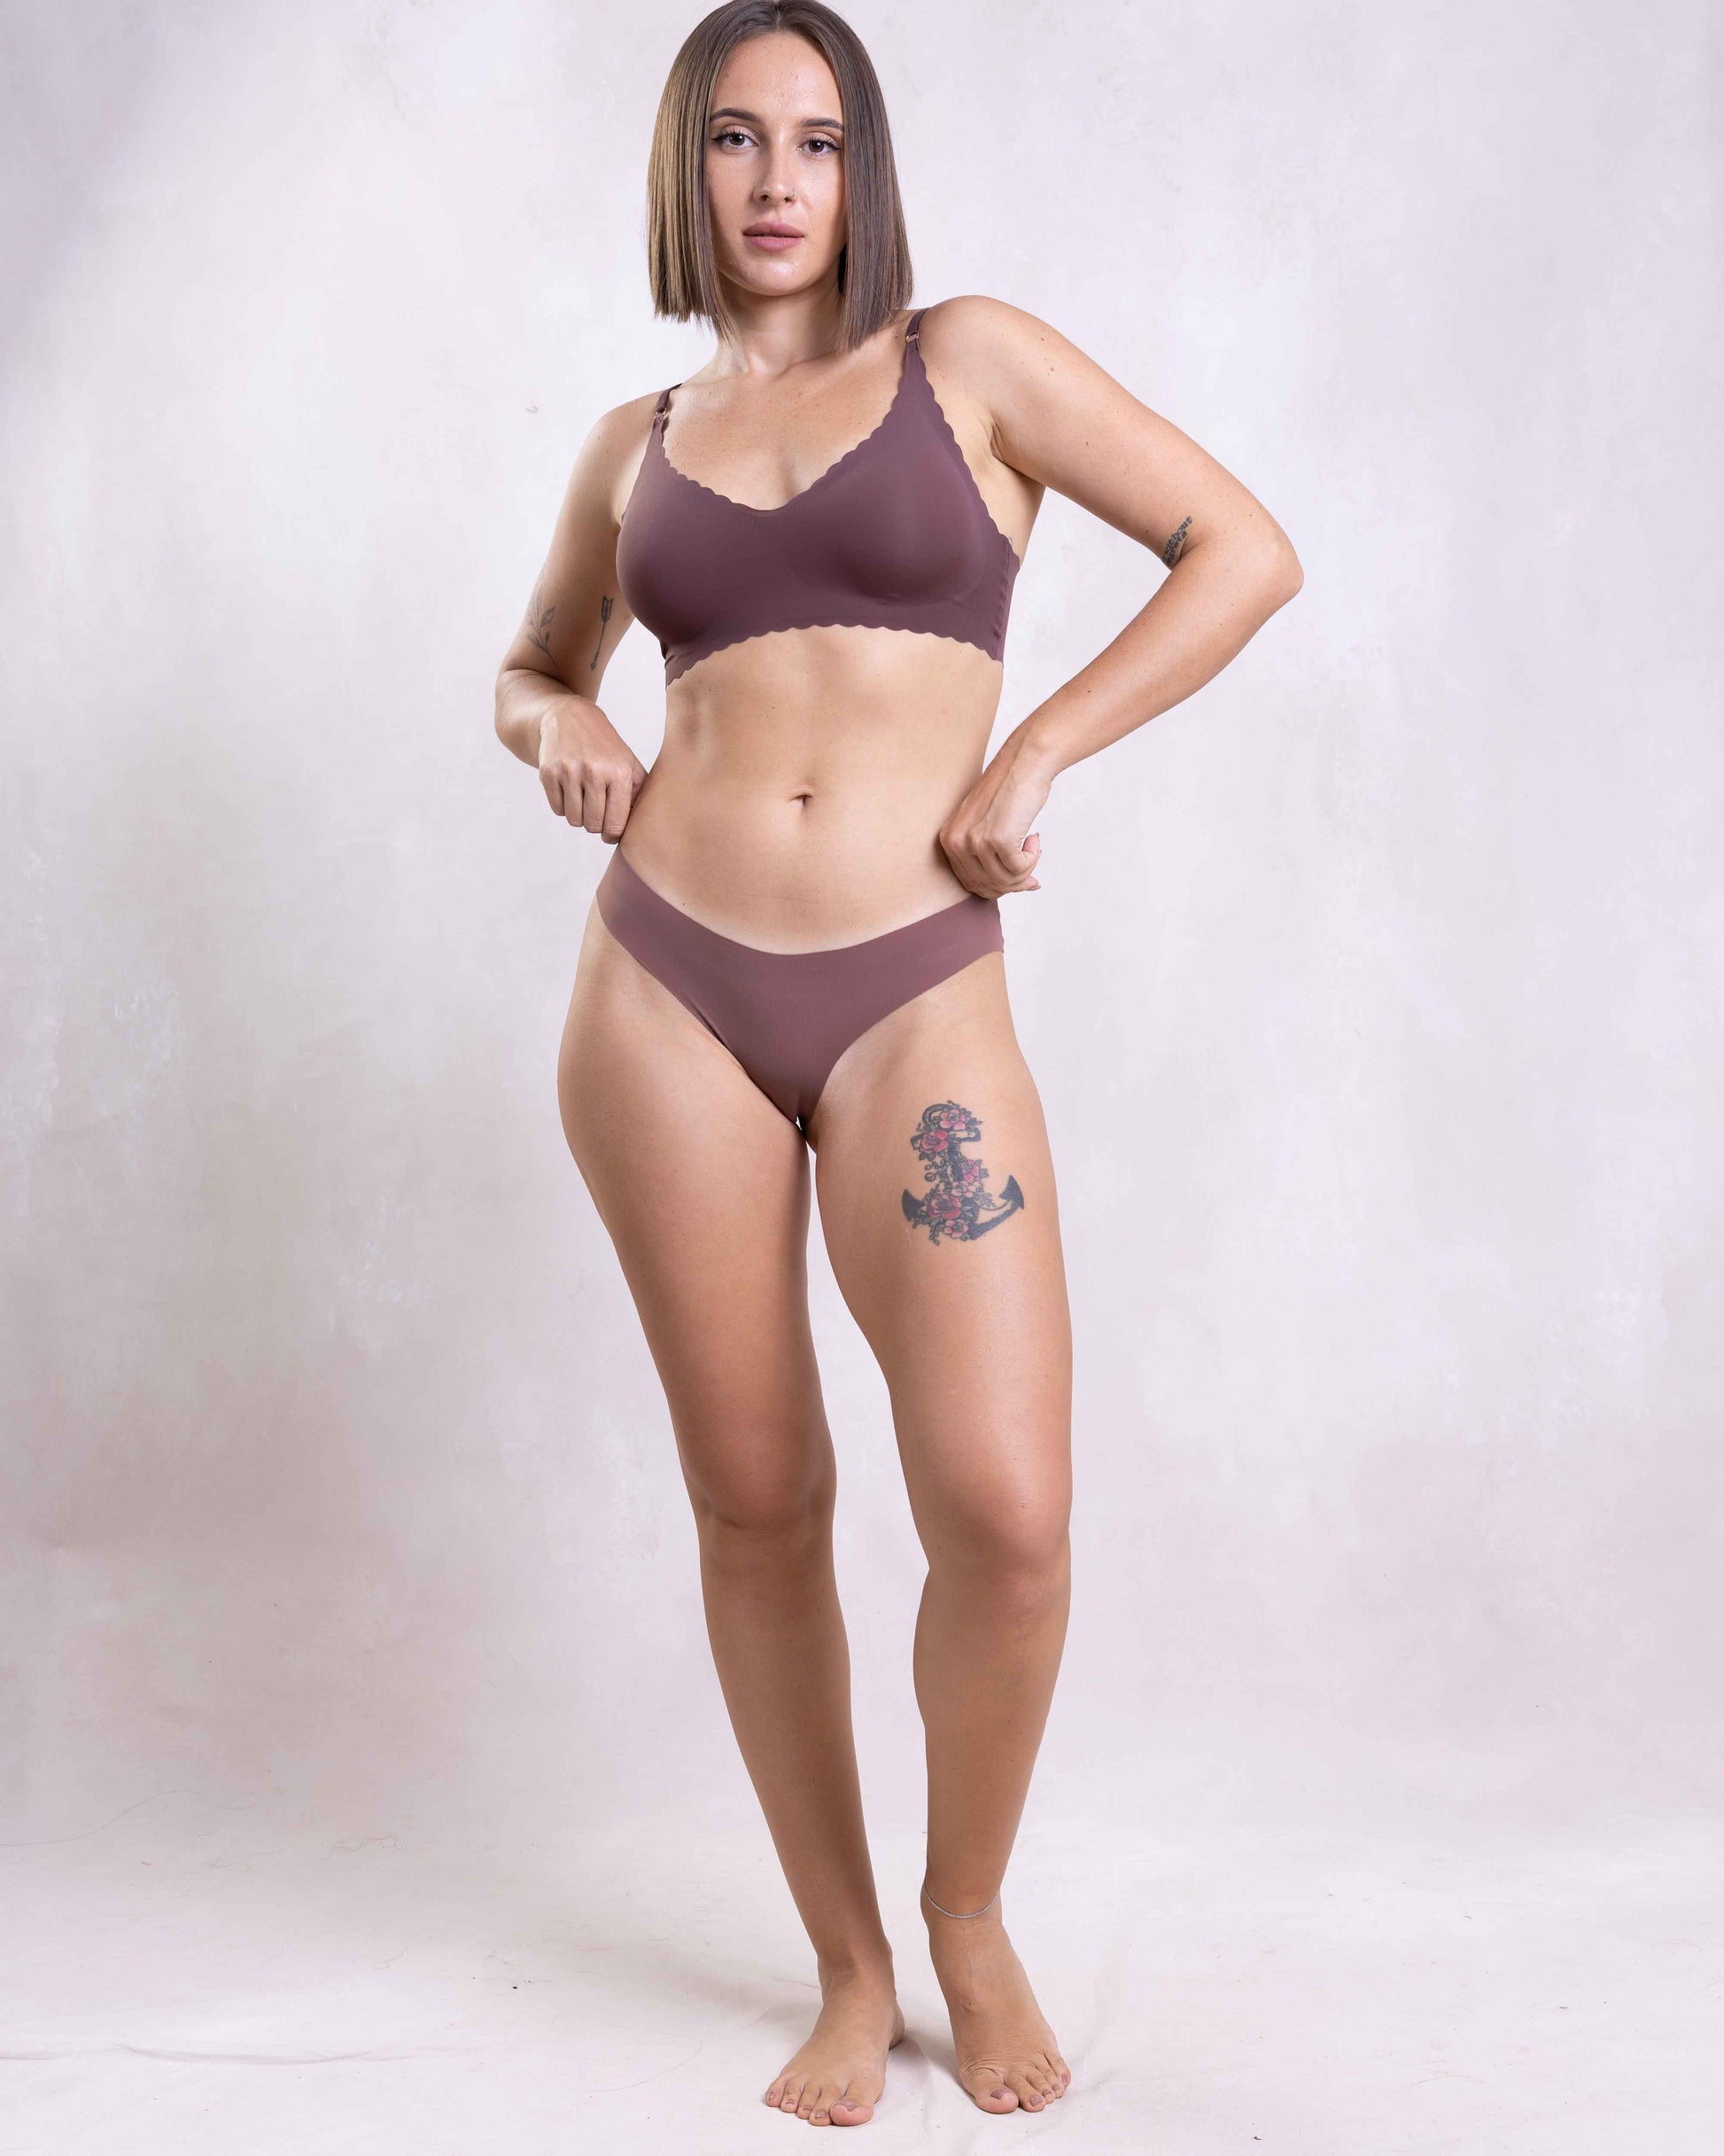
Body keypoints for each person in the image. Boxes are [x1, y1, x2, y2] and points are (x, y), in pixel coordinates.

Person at [493, 0, 1301, 2128]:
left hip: (915, 985)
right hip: (663, 992)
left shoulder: (973, 363)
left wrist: (1037, 746)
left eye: (817, 140)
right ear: (684, 168)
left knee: (1008, 1515)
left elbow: (1243, 549)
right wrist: (556, 722)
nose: (776, 181)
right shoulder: (633, 444)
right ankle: (850, 1959)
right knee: (757, 1497)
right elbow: (531, 661)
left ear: (864, 172)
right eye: (736, 139)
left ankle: (966, 1908)